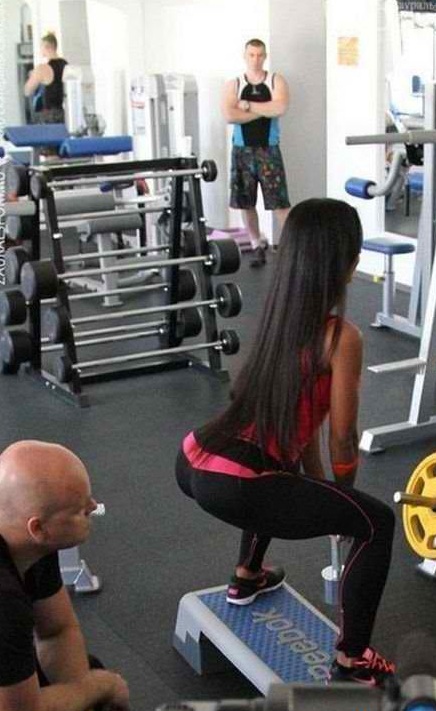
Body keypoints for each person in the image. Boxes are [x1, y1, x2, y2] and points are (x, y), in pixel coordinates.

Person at [176, 198, 396, 687]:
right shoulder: (341, 337)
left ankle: (247, 575)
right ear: (348, 263)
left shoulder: (278, 319)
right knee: (377, 523)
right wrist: (347, 503)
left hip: (193, 458)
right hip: (238, 483)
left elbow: (299, 435)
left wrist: (327, 495)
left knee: (276, 473)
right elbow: (343, 437)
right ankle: (353, 660)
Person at [0, 440, 130, 711]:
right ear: (38, 528)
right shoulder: (6, 602)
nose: (93, 507)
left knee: (92, 683)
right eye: (80, 509)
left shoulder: (30, 539)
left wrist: (86, 695)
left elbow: (56, 629)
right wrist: (101, 686)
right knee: (101, 685)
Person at [221, 38, 290, 268]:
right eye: (251, 55)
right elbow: (230, 115)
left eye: (260, 55)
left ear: (265, 56)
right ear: (245, 56)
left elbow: (280, 108)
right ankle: (256, 245)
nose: (256, 59)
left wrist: (248, 106)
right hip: (242, 150)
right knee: (246, 202)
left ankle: (292, 248)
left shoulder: (275, 81)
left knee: (279, 203)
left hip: (268, 149)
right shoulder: (234, 84)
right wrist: (265, 110)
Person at [24, 32, 68, 124]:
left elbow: (27, 90)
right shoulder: (66, 65)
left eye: (41, 47)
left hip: (48, 116)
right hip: (64, 114)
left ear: (48, 47)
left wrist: (33, 76)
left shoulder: (42, 68)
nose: (40, 50)